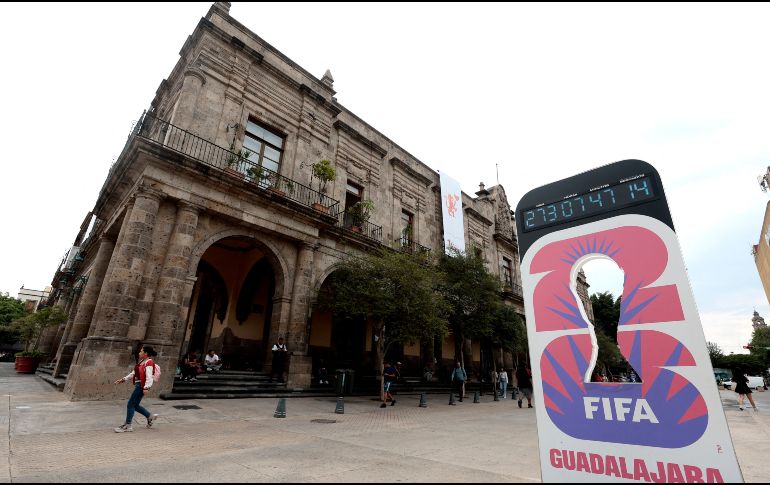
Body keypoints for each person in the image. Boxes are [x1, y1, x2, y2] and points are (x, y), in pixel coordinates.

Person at [113, 345, 159, 432]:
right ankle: (150, 416)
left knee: (130, 404)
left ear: (145, 353)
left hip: (141, 386)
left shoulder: (149, 362)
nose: (139, 352)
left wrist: (146, 387)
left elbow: (149, 377)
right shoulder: (142, 361)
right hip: (139, 385)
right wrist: (123, 379)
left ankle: (128, 425)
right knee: (135, 405)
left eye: (141, 351)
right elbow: (133, 373)